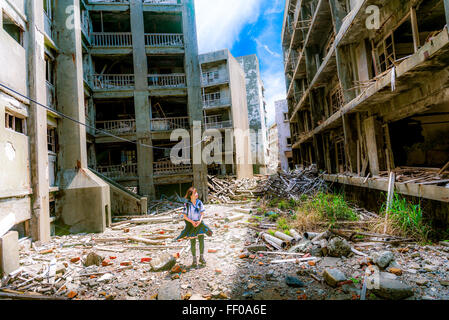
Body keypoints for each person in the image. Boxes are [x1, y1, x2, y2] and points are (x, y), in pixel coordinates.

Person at [175, 187, 213, 268]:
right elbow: (184, 216)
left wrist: (199, 221)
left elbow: (202, 213)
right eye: (195, 193)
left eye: (196, 193)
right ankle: (194, 259)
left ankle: (201, 257)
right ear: (191, 195)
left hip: (199, 223)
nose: (197, 194)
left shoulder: (199, 202)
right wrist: (192, 222)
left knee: (201, 240)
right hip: (191, 225)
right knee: (193, 242)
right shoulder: (187, 204)